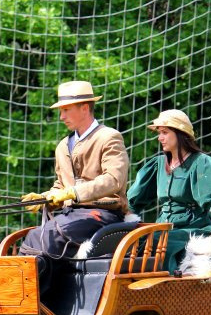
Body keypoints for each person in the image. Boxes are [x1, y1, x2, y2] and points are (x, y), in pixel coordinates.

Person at [19, 80, 130, 258]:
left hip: (103, 214)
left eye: (66, 110)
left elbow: (113, 180)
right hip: (71, 215)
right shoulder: (63, 146)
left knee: (50, 236)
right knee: (33, 236)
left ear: (85, 108)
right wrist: (45, 197)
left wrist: (73, 192)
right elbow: (61, 184)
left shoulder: (109, 137)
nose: (61, 116)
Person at [126, 109, 211, 272]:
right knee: (137, 242)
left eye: (164, 132)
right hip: (163, 228)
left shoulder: (201, 162)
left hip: (194, 229)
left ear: (180, 134)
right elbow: (133, 201)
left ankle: (168, 290)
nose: (159, 137)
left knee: (158, 242)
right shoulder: (157, 165)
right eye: (159, 133)